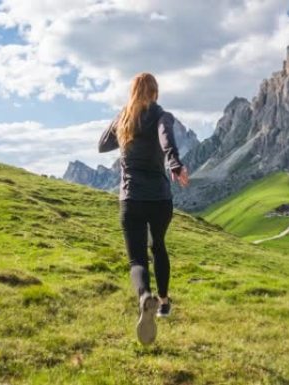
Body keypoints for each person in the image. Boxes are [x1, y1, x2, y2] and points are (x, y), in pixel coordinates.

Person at [98, 72, 189, 345]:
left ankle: (143, 296)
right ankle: (162, 303)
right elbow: (166, 140)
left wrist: (123, 116)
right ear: (156, 92)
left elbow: (102, 144)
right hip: (160, 199)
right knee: (158, 246)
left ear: (133, 93)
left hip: (131, 198)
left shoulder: (125, 118)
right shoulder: (162, 116)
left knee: (137, 259)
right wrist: (174, 165)